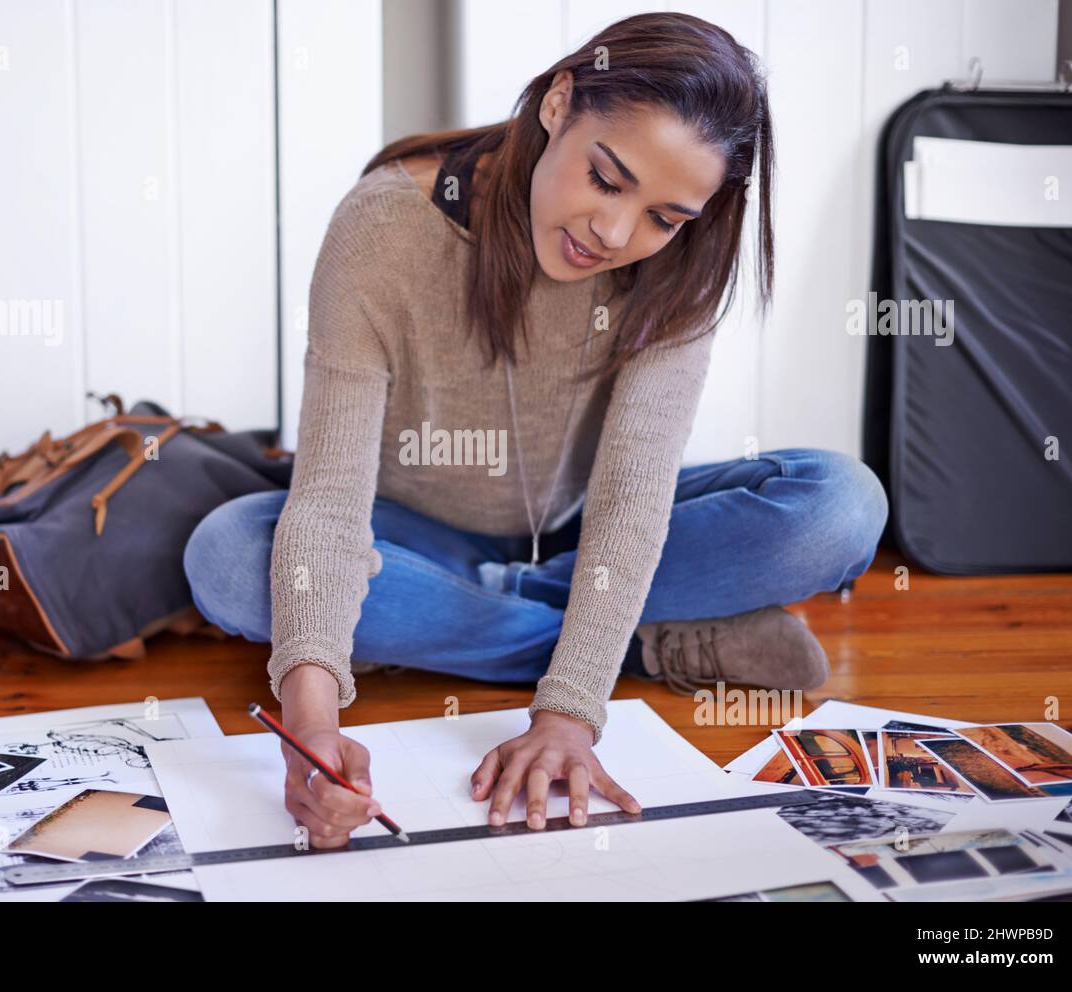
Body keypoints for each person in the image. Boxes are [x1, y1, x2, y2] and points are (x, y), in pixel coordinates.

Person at [184, 12, 888, 848]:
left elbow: (633, 502)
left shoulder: (681, 268)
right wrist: (310, 726)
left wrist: (568, 715)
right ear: (559, 102)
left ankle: (515, 632)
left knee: (841, 504)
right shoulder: (382, 230)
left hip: (581, 523)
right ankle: (645, 641)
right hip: (407, 530)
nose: (617, 234)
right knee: (229, 560)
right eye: (606, 177)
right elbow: (331, 500)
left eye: (665, 216)